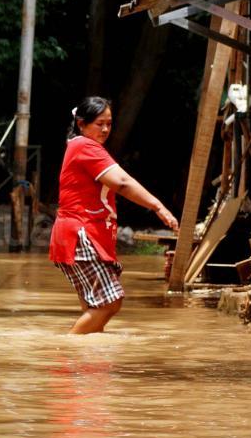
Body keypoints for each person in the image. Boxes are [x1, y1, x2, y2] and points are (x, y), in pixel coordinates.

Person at [49, 96, 179, 335]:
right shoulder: (85, 147)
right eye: (100, 124)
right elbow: (121, 182)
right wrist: (158, 206)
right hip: (80, 233)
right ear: (81, 123)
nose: (106, 129)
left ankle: (86, 364)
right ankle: (67, 350)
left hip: (75, 233)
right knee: (110, 302)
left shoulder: (81, 146)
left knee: (94, 306)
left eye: (109, 123)